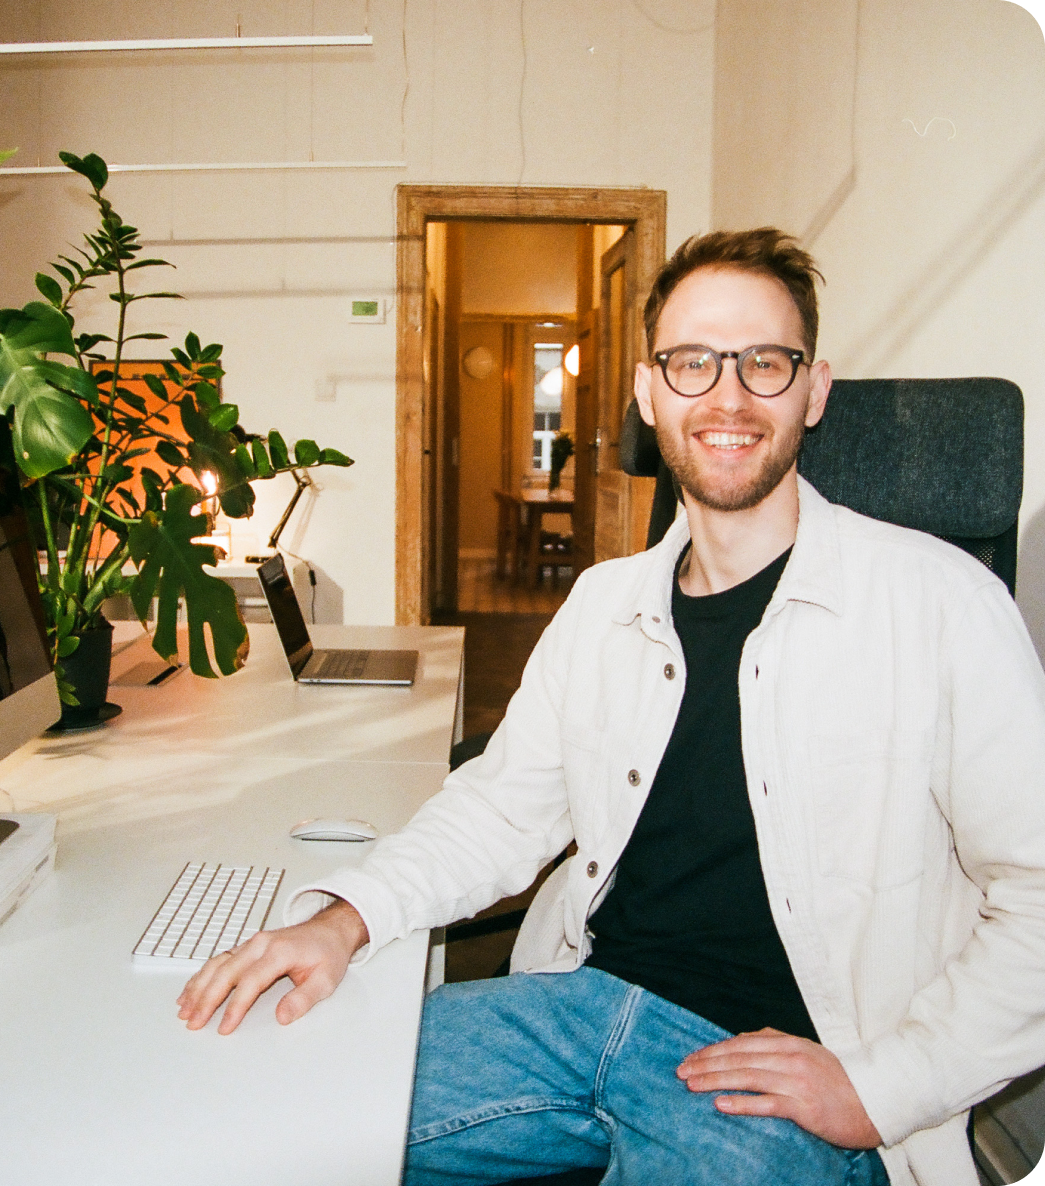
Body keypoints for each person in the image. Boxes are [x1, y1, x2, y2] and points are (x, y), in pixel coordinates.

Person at [176, 229, 1045, 1186]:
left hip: (780, 1074)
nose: (727, 397)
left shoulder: (941, 605)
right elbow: (502, 807)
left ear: (815, 389)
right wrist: (343, 917)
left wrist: (881, 1087)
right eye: (691, 362)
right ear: (647, 393)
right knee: (247, 1113)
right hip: (576, 1005)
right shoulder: (603, 603)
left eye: (765, 362)